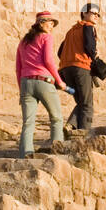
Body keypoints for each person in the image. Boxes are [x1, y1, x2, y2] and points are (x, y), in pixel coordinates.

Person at [15, 10, 68, 157]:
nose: (51, 26)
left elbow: (18, 69)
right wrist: (60, 81)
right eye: (49, 23)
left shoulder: (23, 42)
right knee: (56, 117)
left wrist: (22, 90)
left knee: (28, 122)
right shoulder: (46, 37)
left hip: (26, 83)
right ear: (41, 23)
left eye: (53, 24)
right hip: (43, 82)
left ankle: (25, 154)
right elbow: (49, 61)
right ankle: (58, 152)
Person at [58, 2, 100, 131]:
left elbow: (60, 51)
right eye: (93, 13)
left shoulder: (71, 31)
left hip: (66, 70)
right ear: (84, 13)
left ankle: (71, 125)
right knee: (87, 103)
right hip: (81, 67)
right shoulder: (88, 27)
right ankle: (84, 134)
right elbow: (89, 47)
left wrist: (69, 60)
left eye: (98, 14)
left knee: (82, 102)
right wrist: (94, 56)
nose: (96, 16)